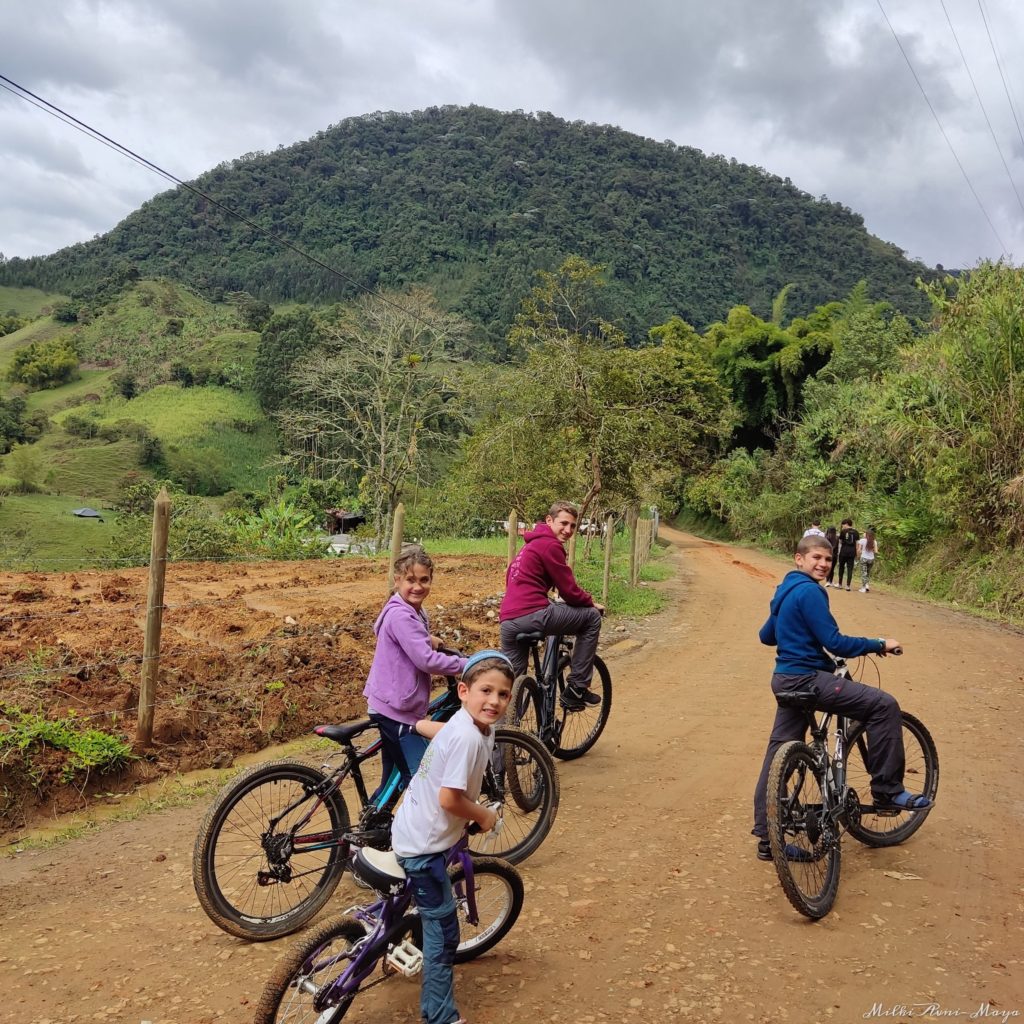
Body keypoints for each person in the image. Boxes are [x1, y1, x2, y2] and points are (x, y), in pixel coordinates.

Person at [750, 533, 931, 861]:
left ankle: (766, 838)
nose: (823, 565)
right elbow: (835, 643)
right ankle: (888, 792)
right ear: (799, 558)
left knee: (778, 754)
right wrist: (879, 643)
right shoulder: (811, 592)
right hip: (809, 680)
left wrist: (789, 625)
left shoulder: (785, 591)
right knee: (882, 705)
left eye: (828, 560)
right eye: (816, 558)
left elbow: (767, 636)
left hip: (784, 681)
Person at [391, 650, 514, 1024]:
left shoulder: (471, 724)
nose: (493, 701)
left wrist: (418, 726)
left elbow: (443, 731)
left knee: (419, 906)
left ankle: (393, 937)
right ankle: (440, 1016)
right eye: (485, 691)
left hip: (409, 826)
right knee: (444, 935)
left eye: (503, 694)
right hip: (425, 848)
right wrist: (484, 816)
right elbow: (449, 799)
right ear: (463, 690)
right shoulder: (468, 738)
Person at [363, 548, 467, 799]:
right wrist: (466, 664)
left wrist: (425, 637)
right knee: (420, 777)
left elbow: (406, 638)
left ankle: (373, 826)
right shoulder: (402, 614)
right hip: (395, 709)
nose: (417, 586)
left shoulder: (411, 610)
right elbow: (426, 661)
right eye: (411, 580)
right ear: (397, 580)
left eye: (424, 580)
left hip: (390, 701)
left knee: (392, 779)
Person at [499, 501, 604, 710]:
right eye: (563, 523)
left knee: (510, 688)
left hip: (508, 621)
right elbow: (569, 590)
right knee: (591, 617)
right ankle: (577, 688)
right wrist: (590, 602)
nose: (568, 530)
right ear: (549, 520)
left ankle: (505, 738)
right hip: (533, 614)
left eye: (573, 526)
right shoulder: (551, 545)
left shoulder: (529, 546)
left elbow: (512, 578)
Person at [835, 518, 859, 592]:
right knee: (850, 568)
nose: (843, 526)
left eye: (843, 525)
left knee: (841, 567)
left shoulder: (843, 531)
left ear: (846, 524)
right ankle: (848, 586)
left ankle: (840, 584)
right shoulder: (856, 532)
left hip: (843, 551)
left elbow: (840, 542)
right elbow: (857, 544)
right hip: (852, 552)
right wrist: (857, 553)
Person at [858, 526, 879, 593]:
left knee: (863, 573)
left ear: (866, 535)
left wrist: (859, 554)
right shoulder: (874, 542)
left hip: (864, 558)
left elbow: (859, 550)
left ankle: (863, 587)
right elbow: (876, 551)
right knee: (868, 573)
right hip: (871, 559)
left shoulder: (862, 540)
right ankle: (867, 585)